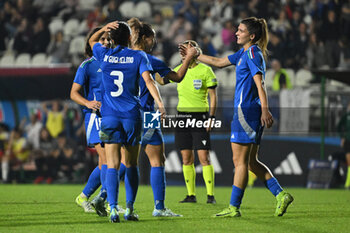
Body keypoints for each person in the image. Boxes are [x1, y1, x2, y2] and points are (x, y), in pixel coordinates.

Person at [181, 17, 293, 217]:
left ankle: (234, 207)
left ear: (251, 35)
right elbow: (219, 62)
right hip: (249, 111)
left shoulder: (252, 53)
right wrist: (195, 54)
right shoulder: (244, 53)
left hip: (246, 111)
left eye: (240, 30)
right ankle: (280, 194)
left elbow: (260, 84)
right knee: (250, 162)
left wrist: (266, 109)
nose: (236, 33)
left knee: (239, 162)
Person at [89, 21, 165, 223]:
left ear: (112, 38)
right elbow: (149, 81)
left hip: (109, 117)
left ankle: (112, 208)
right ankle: (129, 209)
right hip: (132, 116)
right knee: (131, 165)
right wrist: (159, 102)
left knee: (112, 165)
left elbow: (91, 40)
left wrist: (105, 27)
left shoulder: (104, 54)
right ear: (130, 38)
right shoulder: (138, 56)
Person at [125, 17, 198, 217]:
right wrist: (189, 58)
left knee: (125, 162)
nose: (154, 42)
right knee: (157, 161)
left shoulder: (122, 57)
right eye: (153, 38)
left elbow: (161, 80)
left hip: (123, 115)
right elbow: (176, 77)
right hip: (147, 113)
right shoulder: (150, 60)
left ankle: (123, 206)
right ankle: (159, 207)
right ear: (145, 38)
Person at [164, 40, 218, 204]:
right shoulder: (178, 70)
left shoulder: (206, 70)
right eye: (182, 50)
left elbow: (213, 97)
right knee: (186, 158)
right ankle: (191, 195)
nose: (183, 52)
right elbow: (161, 81)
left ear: (195, 51)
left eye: (186, 49)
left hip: (200, 117)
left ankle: (210, 196)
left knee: (204, 157)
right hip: (182, 117)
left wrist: (211, 118)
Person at [71, 27, 113, 215]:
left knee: (106, 162)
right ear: (94, 42)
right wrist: (88, 103)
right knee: (106, 159)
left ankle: (84, 196)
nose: (105, 42)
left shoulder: (113, 63)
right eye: (102, 39)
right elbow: (73, 93)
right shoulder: (87, 65)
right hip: (95, 117)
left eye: (108, 39)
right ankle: (108, 200)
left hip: (112, 116)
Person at [337, 102, 350, 189]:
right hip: (348, 141)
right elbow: (339, 126)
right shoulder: (347, 116)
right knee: (349, 162)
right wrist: (342, 137)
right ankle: (348, 183)